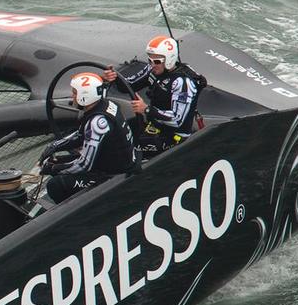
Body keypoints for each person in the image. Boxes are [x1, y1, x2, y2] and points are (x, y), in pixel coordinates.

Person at [39, 72, 140, 203]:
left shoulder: (97, 122)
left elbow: (84, 165)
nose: (72, 96)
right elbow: (82, 135)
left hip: (114, 175)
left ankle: (75, 211)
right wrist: (54, 146)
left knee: (55, 184)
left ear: (85, 95)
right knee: (57, 161)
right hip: (113, 163)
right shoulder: (106, 105)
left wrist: (55, 169)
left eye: (75, 93)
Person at [102, 35, 207, 156]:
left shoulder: (182, 83)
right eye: (149, 60)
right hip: (154, 126)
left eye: (157, 61)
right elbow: (129, 85)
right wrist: (114, 78)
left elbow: (177, 121)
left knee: (123, 152)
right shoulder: (152, 69)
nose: (152, 64)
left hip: (174, 137)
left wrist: (146, 109)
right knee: (114, 135)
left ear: (169, 60)